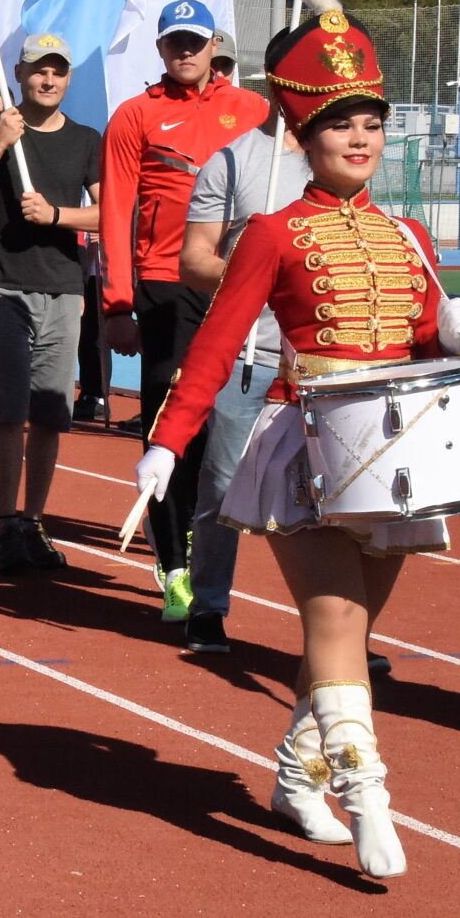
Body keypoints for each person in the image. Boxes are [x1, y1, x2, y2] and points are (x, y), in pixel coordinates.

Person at [130, 4, 460, 878]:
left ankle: (295, 773)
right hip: (308, 445)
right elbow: (217, 342)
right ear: (301, 129)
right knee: (329, 621)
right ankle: (370, 796)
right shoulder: (276, 233)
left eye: (371, 124)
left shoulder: (410, 237)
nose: (359, 140)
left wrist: (454, 335)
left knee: (346, 642)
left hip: (397, 459)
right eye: (339, 124)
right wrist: (169, 441)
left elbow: (428, 350)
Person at [98, 0, 271, 622]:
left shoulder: (251, 111)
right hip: (165, 288)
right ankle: (174, 566)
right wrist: (117, 303)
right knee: (171, 423)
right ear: (161, 49)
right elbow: (115, 212)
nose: (185, 52)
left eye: (195, 41)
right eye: (174, 42)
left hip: (237, 285)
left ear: (213, 44)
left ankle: (202, 545)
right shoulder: (134, 116)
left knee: (227, 427)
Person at [175, 59, 305, 659]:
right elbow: (196, 259)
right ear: (279, 84)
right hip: (249, 350)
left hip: (320, 357)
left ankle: (335, 627)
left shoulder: (342, 160)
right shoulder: (233, 160)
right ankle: (208, 604)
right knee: (222, 483)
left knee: (325, 495)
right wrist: (259, 274)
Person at [0, 33, 101, 577]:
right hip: (2, 286)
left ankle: (34, 519)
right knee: (5, 410)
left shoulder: (87, 139)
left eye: (58, 72)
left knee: (49, 412)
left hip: (63, 289)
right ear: (18, 76)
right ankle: (5, 521)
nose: (47, 80)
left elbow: (112, 213)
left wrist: (58, 216)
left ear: (68, 79)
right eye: (37, 71)